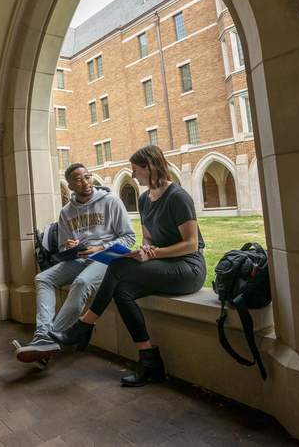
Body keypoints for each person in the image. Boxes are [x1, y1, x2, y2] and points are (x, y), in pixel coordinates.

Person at [48, 146, 205, 386]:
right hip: (163, 266)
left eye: (135, 169)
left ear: (150, 167)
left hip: (188, 269)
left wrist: (152, 255)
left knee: (119, 267)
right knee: (123, 292)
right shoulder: (144, 199)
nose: (133, 175)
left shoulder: (178, 196)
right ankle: (148, 358)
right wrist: (144, 249)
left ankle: (84, 325)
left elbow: (191, 245)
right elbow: (149, 238)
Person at [14, 163, 136, 369]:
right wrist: (69, 246)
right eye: (78, 180)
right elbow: (63, 246)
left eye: (87, 177)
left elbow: (129, 238)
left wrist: (99, 247)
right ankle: (43, 336)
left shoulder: (112, 202)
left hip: (108, 257)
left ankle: (47, 342)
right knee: (42, 278)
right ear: (70, 186)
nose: (85, 182)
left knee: (81, 282)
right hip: (79, 258)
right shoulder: (66, 212)